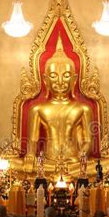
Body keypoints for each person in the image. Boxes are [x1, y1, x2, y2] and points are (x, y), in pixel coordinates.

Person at [20, 35, 94, 174]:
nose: (60, 81)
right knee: (14, 164)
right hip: (48, 163)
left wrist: (82, 154)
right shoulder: (38, 109)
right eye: (54, 76)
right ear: (45, 80)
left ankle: (69, 170)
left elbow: (88, 142)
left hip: (75, 164)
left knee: (106, 165)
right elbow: (32, 141)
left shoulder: (83, 109)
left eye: (66, 75)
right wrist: (30, 156)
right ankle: (56, 171)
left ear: (74, 79)